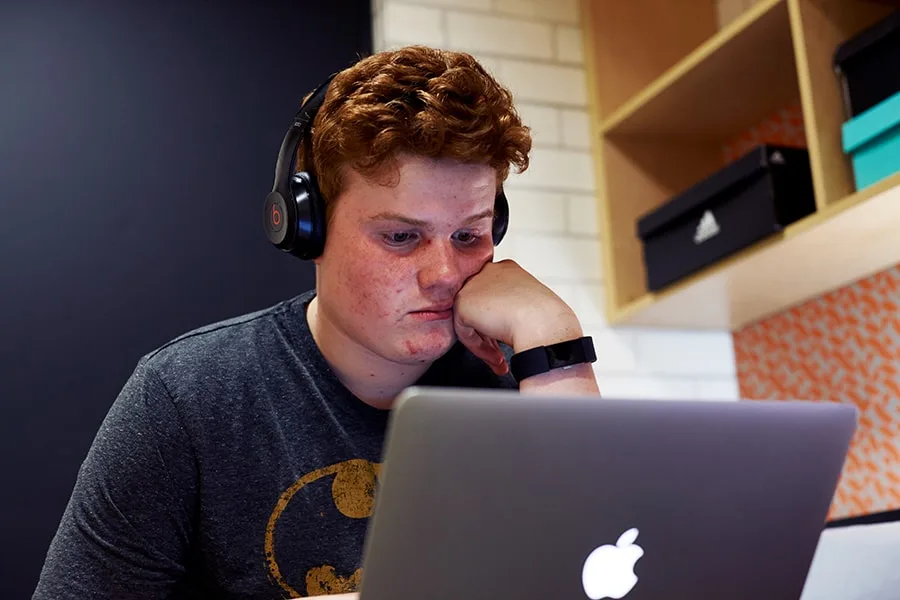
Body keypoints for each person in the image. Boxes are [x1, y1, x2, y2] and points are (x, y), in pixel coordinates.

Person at [32, 44, 600, 600]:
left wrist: (553, 332)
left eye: (469, 235)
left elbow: (601, 570)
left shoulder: (521, 392)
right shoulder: (187, 398)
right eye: (401, 237)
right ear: (307, 229)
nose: (445, 274)